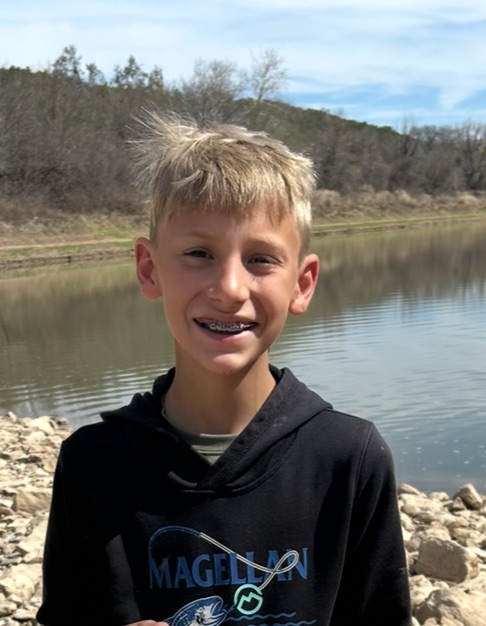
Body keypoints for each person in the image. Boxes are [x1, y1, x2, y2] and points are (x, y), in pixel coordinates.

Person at [37, 112, 411, 626]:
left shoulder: (349, 458)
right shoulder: (90, 463)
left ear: (302, 283)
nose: (230, 288)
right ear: (149, 268)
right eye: (198, 253)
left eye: (261, 259)